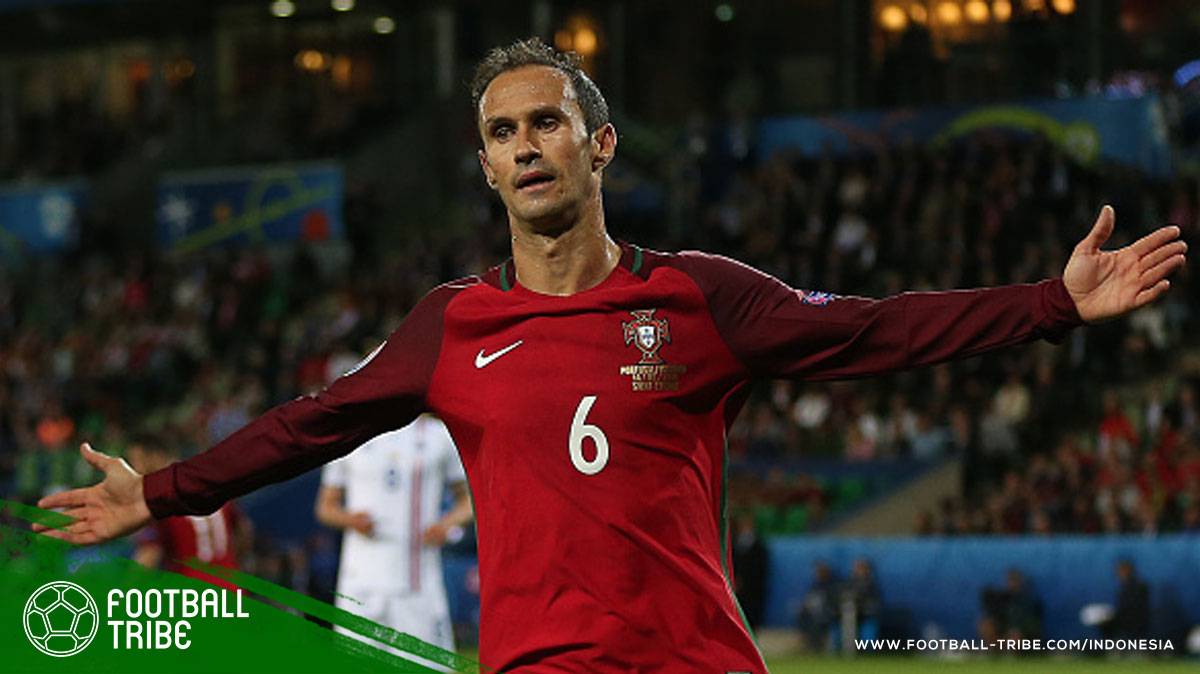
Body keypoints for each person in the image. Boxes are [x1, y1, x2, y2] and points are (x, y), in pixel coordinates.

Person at [35, 38, 1187, 672]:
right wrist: (162, 491)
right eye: (502, 132)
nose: (525, 145)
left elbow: (874, 330)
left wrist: (1051, 302)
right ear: (485, 168)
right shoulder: (451, 324)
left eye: (546, 121)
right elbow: (312, 422)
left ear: (599, 144)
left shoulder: (697, 296)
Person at [314, 414, 472, 660]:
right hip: (359, 583)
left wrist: (446, 524)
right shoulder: (348, 431)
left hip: (417, 582)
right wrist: (351, 520)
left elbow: (469, 501)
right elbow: (325, 507)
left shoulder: (438, 434)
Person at [125, 436, 250, 591]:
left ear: (154, 457)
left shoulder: (161, 498)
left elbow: (149, 555)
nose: (135, 471)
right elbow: (244, 529)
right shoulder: (210, 482)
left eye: (135, 462)